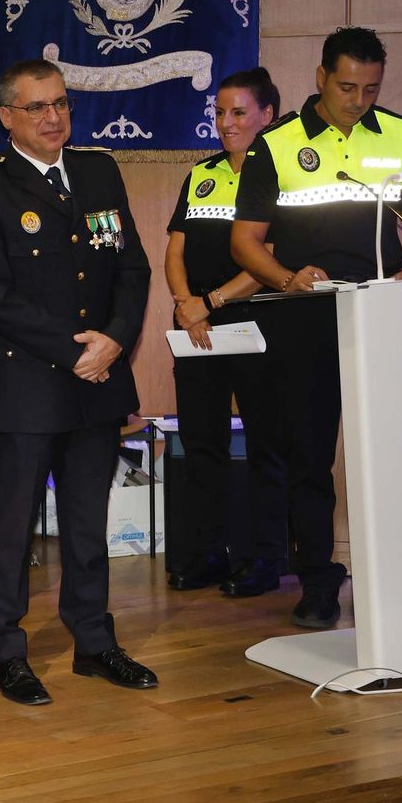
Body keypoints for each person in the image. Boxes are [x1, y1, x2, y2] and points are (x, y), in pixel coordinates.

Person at [0, 58, 158, 707]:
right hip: (29, 383)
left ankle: (95, 643)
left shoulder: (97, 170)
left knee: (85, 521)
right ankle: (7, 653)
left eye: (61, 104)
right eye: (38, 108)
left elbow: (131, 267)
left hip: (98, 378)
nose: (54, 118)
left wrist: (115, 339)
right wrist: (75, 351)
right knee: (14, 525)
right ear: (7, 117)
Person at [231, 27, 402, 629]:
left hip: (384, 314)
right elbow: (246, 244)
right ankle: (319, 581)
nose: (358, 99)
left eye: (370, 88)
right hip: (307, 313)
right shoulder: (278, 143)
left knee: (399, 452)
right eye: (347, 86)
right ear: (320, 77)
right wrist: (288, 276)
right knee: (309, 454)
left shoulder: (399, 134)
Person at [164, 68, 289, 597]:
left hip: (258, 323)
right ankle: (209, 552)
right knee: (202, 443)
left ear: (268, 115)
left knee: (266, 444)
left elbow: (271, 255)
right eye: (219, 112)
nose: (225, 122)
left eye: (238, 112)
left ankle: (265, 558)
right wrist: (185, 304)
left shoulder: (283, 174)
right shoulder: (201, 173)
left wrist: (210, 302)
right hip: (197, 329)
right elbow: (175, 249)